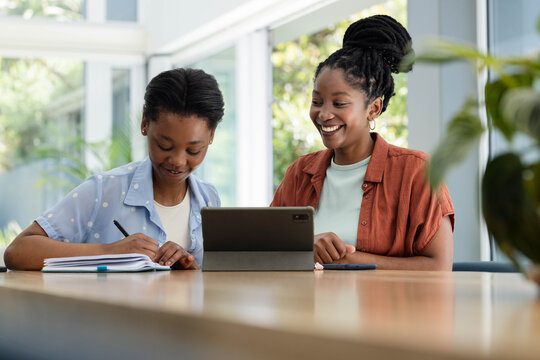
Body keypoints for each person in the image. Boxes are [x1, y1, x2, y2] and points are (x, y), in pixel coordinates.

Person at [271, 15, 455, 270]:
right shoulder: (299, 174)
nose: (323, 114)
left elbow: (439, 267)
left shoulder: (417, 172)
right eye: (317, 101)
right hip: (308, 308)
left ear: (374, 108)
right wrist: (305, 247)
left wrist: (344, 259)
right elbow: (267, 251)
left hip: (387, 310)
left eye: (339, 103)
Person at [4, 68, 224, 270]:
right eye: (164, 146)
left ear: (211, 136)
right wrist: (108, 252)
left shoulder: (208, 198)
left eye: (193, 150)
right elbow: (18, 251)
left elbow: (211, 283)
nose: (177, 161)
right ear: (144, 124)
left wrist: (192, 269)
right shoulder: (104, 190)